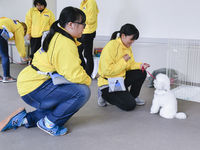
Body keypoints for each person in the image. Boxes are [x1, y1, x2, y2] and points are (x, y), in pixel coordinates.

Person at [0, 6, 91, 136]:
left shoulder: (58, 34)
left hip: (31, 82)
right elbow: (74, 74)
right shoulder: (65, 43)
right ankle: (49, 123)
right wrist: (88, 80)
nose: (84, 27)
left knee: (65, 98)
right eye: (82, 24)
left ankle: (25, 119)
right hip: (34, 87)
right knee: (82, 92)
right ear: (70, 24)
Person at [97, 23, 150, 111]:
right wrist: (123, 61)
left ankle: (133, 96)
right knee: (129, 105)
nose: (132, 42)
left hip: (119, 80)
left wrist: (140, 65)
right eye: (131, 39)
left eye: (134, 40)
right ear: (123, 36)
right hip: (108, 83)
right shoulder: (111, 46)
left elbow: (130, 65)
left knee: (141, 72)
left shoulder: (127, 46)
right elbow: (107, 71)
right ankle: (103, 95)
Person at [0, 17, 28, 83]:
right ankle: (6, 77)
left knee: (2, 54)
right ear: (24, 29)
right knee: (4, 55)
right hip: (0, 30)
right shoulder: (20, 27)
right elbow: (20, 42)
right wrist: (23, 56)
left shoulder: (13, 23)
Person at [78, 0, 99, 76]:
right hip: (82, 31)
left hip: (88, 32)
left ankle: (88, 74)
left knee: (87, 54)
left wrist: (79, 20)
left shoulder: (91, 2)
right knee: (78, 51)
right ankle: (84, 70)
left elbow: (91, 19)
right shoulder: (83, 2)